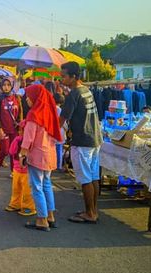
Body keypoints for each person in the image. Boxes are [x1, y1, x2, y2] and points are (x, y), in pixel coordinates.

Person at [59, 61, 103, 224]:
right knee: (93, 177)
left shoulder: (74, 94)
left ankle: (89, 214)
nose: (61, 79)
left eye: (64, 76)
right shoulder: (86, 90)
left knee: (85, 179)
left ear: (73, 77)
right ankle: (93, 210)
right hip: (95, 139)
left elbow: (61, 119)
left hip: (83, 141)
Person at [20, 84, 62, 231]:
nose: (26, 99)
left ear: (35, 97)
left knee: (37, 186)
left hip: (37, 156)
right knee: (46, 185)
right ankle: (50, 216)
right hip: (49, 154)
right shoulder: (49, 113)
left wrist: (23, 154)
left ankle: (41, 219)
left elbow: (28, 139)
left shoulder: (34, 115)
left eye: (28, 96)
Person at [4, 120, 36, 216]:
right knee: (18, 188)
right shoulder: (18, 140)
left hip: (24, 170)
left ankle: (28, 207)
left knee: (26, 190)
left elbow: (11, 151)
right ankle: (15, 204)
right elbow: (11, 151)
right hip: (19, 169)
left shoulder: (21, 140)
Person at [0, 77, 22, 176]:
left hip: (14, 130)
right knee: (5, 150)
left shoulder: (17, 98)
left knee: (14, 151)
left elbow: (20, 114)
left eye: (8, 85)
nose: (6, 87)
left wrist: (20, 125)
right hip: (3, 129)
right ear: (1, 86)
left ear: (12, 86)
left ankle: (13, 170)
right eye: (4, 85)